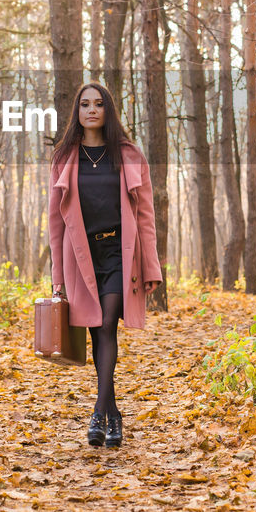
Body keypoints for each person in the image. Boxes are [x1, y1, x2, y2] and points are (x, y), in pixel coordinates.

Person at [47, 82, 163, 447]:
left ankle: (98, 412)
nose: (92, 110)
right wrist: (57, 278)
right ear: (77, 112)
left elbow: (145, 215)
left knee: (108, 324)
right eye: (85, 104)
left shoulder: (128, 155)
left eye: (99, 104)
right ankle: (114, 416)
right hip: (80, 257)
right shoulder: (64, 157)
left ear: (108, 110)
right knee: (97, 331)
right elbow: (54, 221)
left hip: (119, 254)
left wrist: (152, 267)